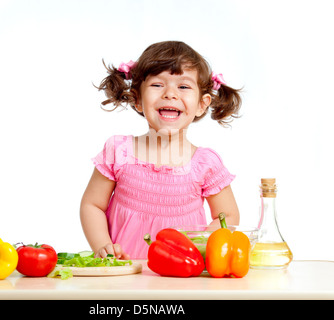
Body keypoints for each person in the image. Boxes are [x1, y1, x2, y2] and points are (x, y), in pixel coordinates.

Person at [80, 41, 242, 260]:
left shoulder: (205, 163)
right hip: (124, 276)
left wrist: (199, 244)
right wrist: (103, 246)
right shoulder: (119, 151)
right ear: (137, 99)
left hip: (182, 276)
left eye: (183, 87)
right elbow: (92, 205)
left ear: (202, 104)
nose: (170, 94)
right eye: (157, 85)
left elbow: (229, 215)